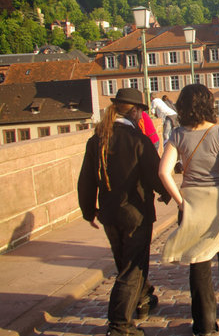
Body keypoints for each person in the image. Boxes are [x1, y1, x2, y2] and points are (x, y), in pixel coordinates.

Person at [77, 88, 171, 336]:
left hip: (109, 215)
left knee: (125, 264)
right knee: (133, 268)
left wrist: (89, 211)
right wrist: (167, 192)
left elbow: (86, 179)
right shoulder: (137, 139)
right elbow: (154, 173)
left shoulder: (96, 139)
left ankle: (141, 301)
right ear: (136, 111)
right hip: (136, 213)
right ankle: (119, 326)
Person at [159, 84, 219, 336]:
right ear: (209, 104)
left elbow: (163, 171)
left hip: (193, 202)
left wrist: (180, 201)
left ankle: (204, 323)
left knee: (198, 261)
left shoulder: (177, 134)